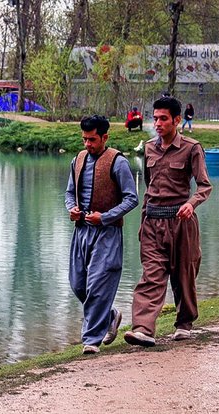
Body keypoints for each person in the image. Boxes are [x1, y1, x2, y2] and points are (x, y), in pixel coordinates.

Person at [124, 97, 212, 348]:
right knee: (151, 275)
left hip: (181, 221)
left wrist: (191, 204)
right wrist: (143, 222)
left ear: (176, 120)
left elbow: (204, 186)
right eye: (156, 118)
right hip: (153, 221)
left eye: (164, 118)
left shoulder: (192, 148)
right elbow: (149, 187)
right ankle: (142, 329)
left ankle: (184, 323)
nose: (158, 123)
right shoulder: (150, 148)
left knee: (184, 275)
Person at [65, 115, 139, 355]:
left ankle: (91, 341)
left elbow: (132, 199)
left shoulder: (118, 162)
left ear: (105, 137)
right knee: (78, 284)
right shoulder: (77, 160)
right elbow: (68, 193)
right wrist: (72, 209)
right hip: (82, 231)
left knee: (97, 286)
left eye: (93, 139)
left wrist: (105, 217)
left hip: (107, 233)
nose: (88, 144)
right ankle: (110, 316)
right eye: (85, 139)